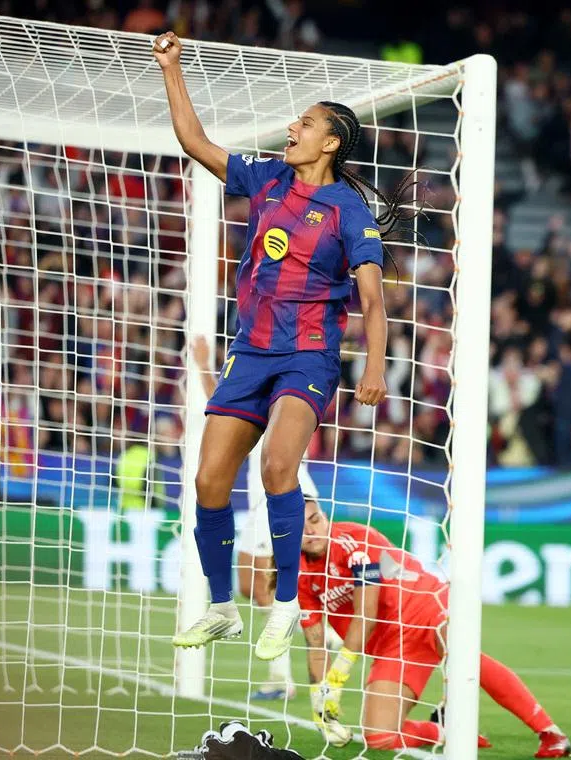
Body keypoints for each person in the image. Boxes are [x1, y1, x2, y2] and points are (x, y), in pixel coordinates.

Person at [155, 31, 401, 659]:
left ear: (331, 141)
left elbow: (372, 297)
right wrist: (173, 69)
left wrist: (374, 365)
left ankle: (286, 606)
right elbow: (194, 143)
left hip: (309, 355)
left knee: (275, 470)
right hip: (250, 352)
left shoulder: (349, 211)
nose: (293, 126)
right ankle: (220, 608)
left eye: (307, 122)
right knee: (209, 481)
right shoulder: (265, 179)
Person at [296, 500, 571, 757]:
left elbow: (365, 614)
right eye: (302, 525)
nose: (312, 530)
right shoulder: (298, 575)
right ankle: (447, 730)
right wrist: (319, 696)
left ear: (326, 517)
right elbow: (316, 642)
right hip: (393, 643)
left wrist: (338, 677)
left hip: (424, 602)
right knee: (379, 738)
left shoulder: (355, 540)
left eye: (316, 519)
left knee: (459, 653)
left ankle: (549, 731)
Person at [187, 336, 343, 700]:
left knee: (265, 588)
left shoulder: (282, 386)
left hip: (288, 492)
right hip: (261, 498)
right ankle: (321, 637)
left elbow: (230, 408)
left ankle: (282, 676)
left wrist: (203, 366)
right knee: (250, 586)